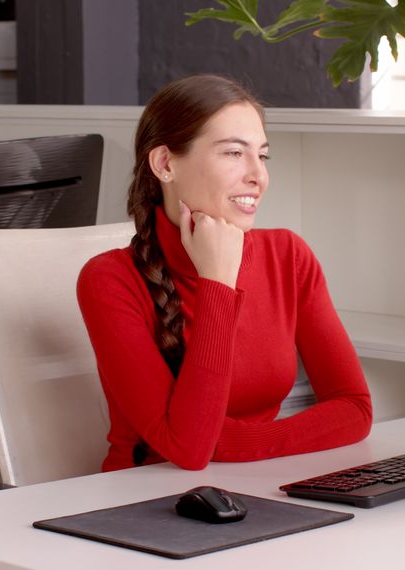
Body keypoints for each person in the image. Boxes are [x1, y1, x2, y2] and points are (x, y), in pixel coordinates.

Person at [77, 74, 372, 472]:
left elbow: (354, 409)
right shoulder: (108, 280)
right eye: (234, 153)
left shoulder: (288, 255)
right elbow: (189, 452)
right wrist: (217, 280)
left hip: (258, 483)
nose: (257, 175)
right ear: (165, 164)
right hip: (144, 499)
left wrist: (233, 442)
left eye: (262, 155)